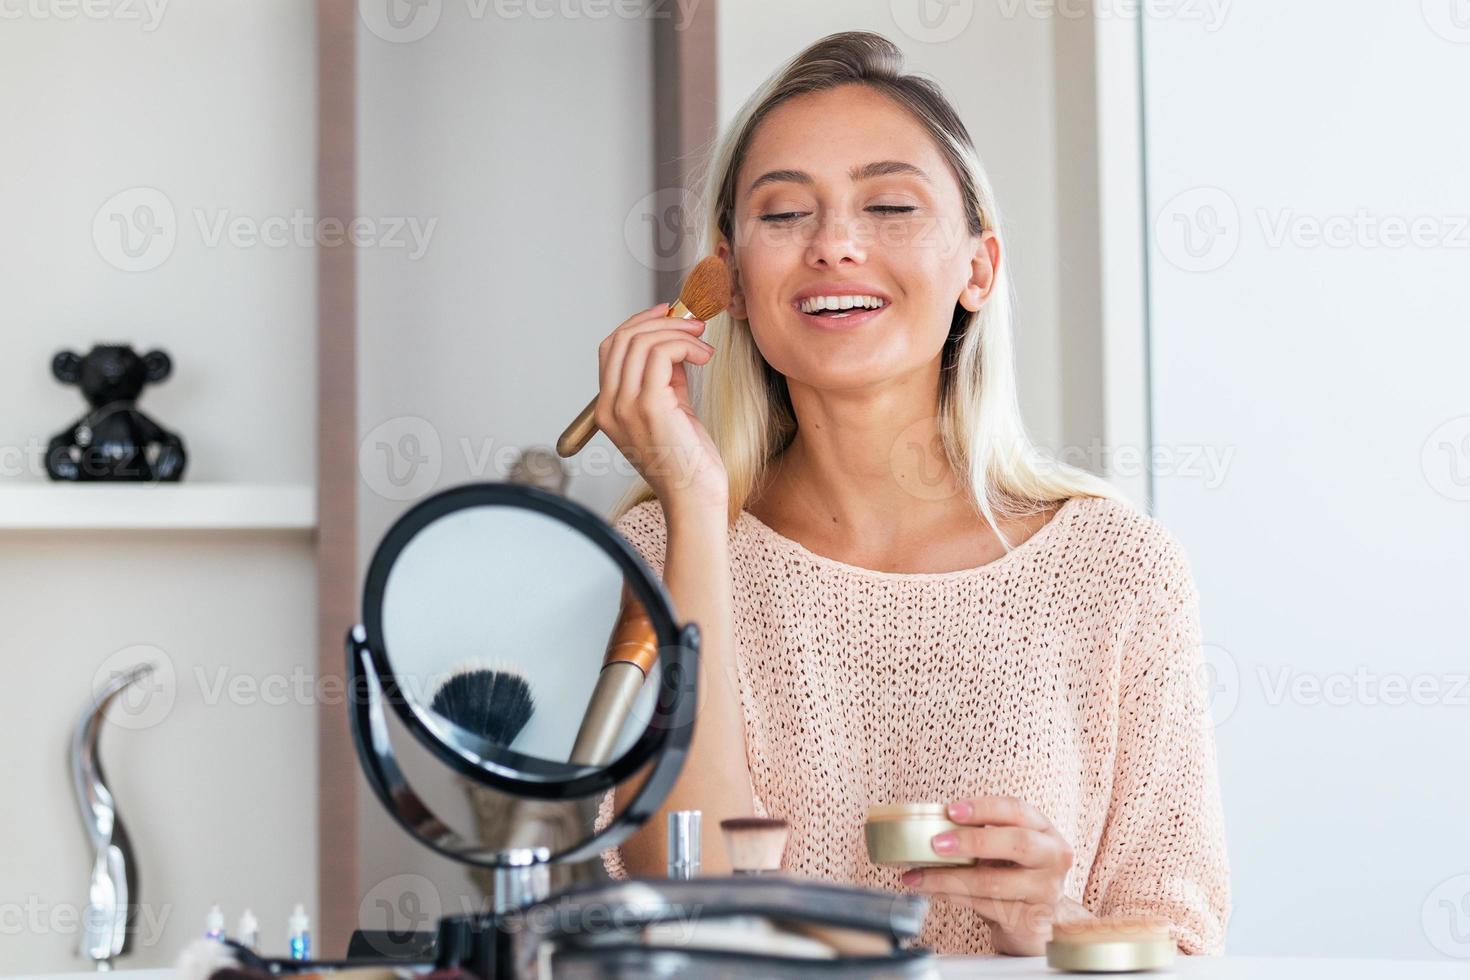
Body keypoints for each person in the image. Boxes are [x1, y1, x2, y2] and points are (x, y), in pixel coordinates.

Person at [592, 31, 1229, 957]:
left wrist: (1053, 926)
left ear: (978, 268)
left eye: (890, 205)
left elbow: (1185, 943)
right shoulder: (668, 547)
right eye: (782, 216)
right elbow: (687, 901)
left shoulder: (1120, 571)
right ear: (727, 281)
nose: (835, 246)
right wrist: (693, 502)